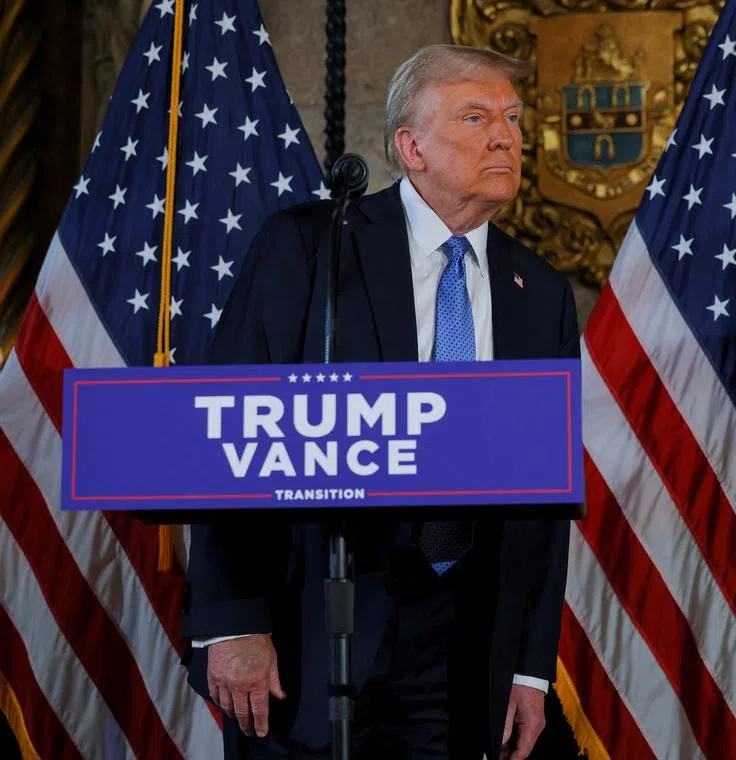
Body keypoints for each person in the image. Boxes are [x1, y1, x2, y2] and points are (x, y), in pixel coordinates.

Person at [181, 44, 578, 760]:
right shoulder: (312, 247)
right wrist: (235, 620)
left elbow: (545, 505)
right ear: (410, 146)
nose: (506, 136)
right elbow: (228, 437)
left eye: (514, 119)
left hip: (464, 642)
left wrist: (528, 665)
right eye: (476, 115)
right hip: (313, 630)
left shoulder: (539, 292)